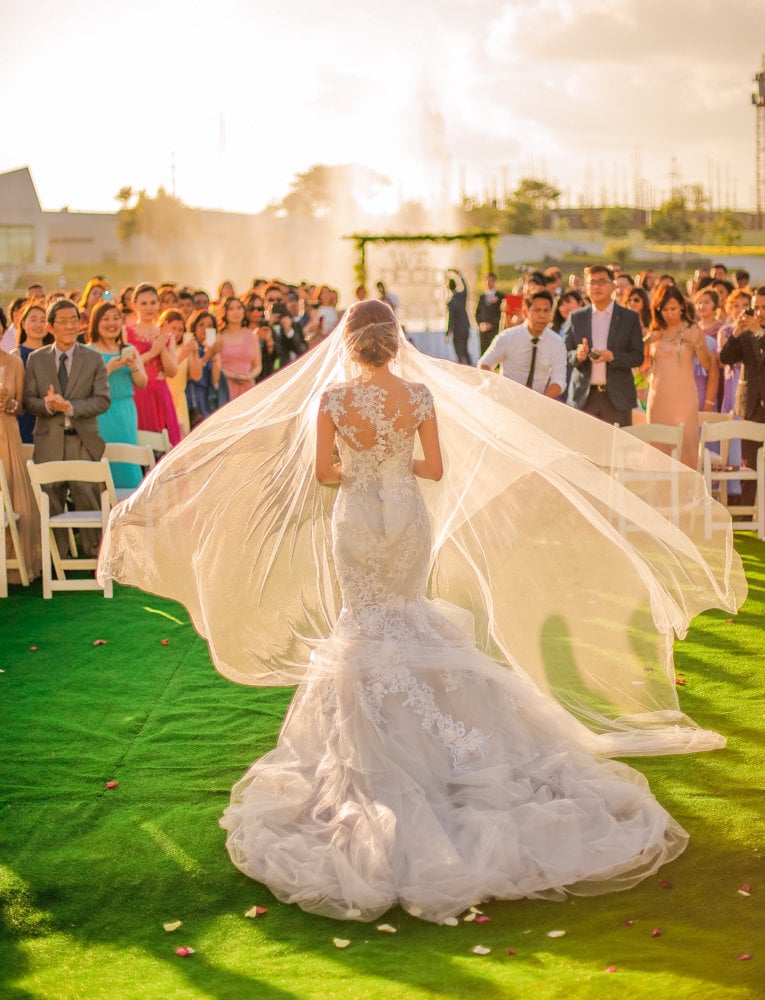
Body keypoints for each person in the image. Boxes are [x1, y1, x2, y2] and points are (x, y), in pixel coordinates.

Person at [100, 298, 745, 926]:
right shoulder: (421, 397)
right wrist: (392, 463)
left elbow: (325, 475)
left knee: (367, 624)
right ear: (395, 342)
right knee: (408, 615)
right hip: (405, 514)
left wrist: (362, 465)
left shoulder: (332, 401)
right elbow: (432, 467)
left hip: (356, 518)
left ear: (348, 347)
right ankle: (451, 750)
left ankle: (382, 752)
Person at [23, 299, 110, 557]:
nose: (70, 326)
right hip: (48, 441)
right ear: (51, 327)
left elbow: (103, 399)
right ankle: (57, 560)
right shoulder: (37, 359)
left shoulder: (93, 358)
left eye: (74, 319)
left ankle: (97, 558)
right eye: (63, 321)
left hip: (82, 440)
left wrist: (70, 406)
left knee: (87, 496)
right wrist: (48, 405)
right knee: (51, 499)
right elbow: (28, 400)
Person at [565, 265, 645, 426]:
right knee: (583, 448)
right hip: (584, 398)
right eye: (591, 282)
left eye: (602, 281)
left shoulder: (629, 318)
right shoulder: (576, 317)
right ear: (586, 288)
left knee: (618, 449)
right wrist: (578, 355)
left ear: (613, 286)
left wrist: (613, 356)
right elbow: (564, 354)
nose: (596, 286)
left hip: (617, 398)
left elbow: (637, 357)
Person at [645, 285, 712, 468]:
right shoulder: (655, 330)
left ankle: (688, 495)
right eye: (664, 309)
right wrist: (647, 341)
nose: (669, 313)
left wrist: (696, 342)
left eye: (673, 308)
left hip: (684, 399)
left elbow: (707, 364)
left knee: (687, 449)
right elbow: (641, 365)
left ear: (682, 306)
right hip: (658, 398)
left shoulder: (692, 329)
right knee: (658, 450)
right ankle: (659, 495)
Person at [88, 300, 147, 488]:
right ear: (96, 323)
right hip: (101, 413)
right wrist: (109, 369)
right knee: (107, 460)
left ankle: (131, 502)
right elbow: (86, 386)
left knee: (128, 459)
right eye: (105, 319)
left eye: (115, 319)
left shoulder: (129, 349)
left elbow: (142, 382)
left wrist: (134, 368)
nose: (111, 323)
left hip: (125, 410)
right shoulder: (89, 352)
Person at [719, 286, 765, 506]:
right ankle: (747, 516)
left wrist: (760, 333)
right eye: (756, 307)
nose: (759, 312)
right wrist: (737, 333)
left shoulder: (756, 331)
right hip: (750, 405)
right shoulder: (746, 331)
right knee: (750, 466)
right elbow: (726, 358)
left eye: (764, 307)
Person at [0, 344, 41, 582]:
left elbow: (22, 405)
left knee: (12, 491)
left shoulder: (15, 362)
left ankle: (14, 564)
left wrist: (9, 405)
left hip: (7, 432)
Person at [479, 290, 566, 398]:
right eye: (537, 310)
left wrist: (542, 401)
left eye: (546, 310)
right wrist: (493, 387)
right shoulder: (507, 337)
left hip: (537, 406)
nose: (542, 315)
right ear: (525, 312)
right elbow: (484, 364)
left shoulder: (557, 343)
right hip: (506, 402)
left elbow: (559, 380)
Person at [126, 285, 181, 447]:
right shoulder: (126, 332)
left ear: (158, 305)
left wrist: (161, 347)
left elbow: (172, 371)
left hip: (160, 393)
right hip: (138, 393)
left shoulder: (166, 334)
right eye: (144, 303)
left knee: (164, 446)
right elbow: (127, 364)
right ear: (134, 305)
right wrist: (152, 352)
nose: (149, 307)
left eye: (152, 303)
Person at [474, 272, 505, 355]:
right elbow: (477, 313)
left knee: (495, 353)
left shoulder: (501, 296)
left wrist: (491, 324)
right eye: (486, 281)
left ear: (494, 282)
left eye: (490, 280)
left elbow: (501, 313)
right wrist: (480, 324)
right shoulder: (481, 297)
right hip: (483, 332)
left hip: (495, 330)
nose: (488, 283)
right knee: (483, 353)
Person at [445, 269, 471, 365]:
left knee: (459, 352)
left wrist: (448, 332)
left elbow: (450, 319)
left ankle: (464, 368)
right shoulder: (462, 296)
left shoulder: (451, 302)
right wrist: (460, 275)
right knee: (465, 350)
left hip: (457, 330)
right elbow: (466, 287)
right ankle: (470, 366)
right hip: (465, 327)